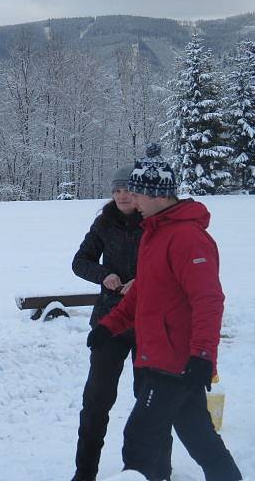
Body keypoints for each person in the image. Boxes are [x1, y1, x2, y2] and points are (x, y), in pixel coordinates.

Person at [88, 144, 241, 481]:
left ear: (156, 194)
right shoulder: (154, 235)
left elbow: (209, 300)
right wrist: (109, 325)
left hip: (175, 362)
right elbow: (143, 292)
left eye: (136, 193)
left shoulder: (188, 238)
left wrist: (202, 355)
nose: (132, 201)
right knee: (199, 438)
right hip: (155, 355)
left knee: (140, 440)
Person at [71, 165, 168, 481]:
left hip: (149, 324)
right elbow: (80, 261)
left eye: (127, 190)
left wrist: (143, 282)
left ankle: (155, 471)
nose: (122, 196)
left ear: (140, 193)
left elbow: (170, 268)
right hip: (109, 322)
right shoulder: (104, 222)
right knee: (96, 402)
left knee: (151, 401)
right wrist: (104, 276)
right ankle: (85, 473)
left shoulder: (156, 223)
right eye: (116, 191)